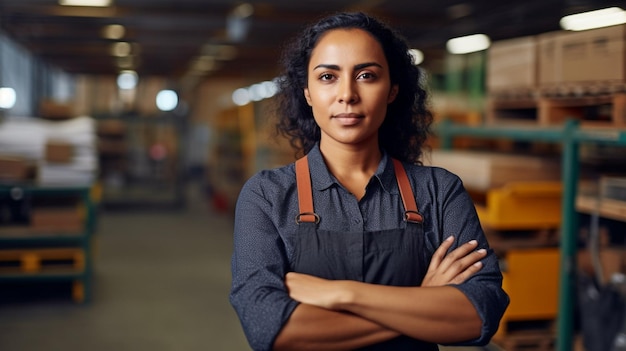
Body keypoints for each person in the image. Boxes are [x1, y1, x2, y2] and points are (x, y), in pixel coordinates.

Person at [230, 11, 509, 351]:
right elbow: (270, 330)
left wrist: (342, 294)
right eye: (328, 77)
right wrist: (421, 302)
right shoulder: (268, 196)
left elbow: (480, 314)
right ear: (307, 93)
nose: (347, 94)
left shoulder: (438, 192)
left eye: (366, 75)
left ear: (392, 90)